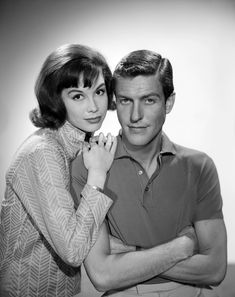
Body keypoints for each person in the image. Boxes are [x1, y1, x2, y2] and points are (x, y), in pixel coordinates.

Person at [72, 50, 227, 296]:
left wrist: (130, 254)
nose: (135, 116)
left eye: (149, 100)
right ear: (115, 102)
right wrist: (180, 248)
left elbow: (214, 269)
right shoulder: (89, 167)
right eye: (125, 100)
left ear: (169, 102)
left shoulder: (199, 166)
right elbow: (103, 275)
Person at [0, 43, 118, 296]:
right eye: (78, 96)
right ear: (56, 99)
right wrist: (97, 175)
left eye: (99, 92)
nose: (94, 106)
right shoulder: (43, 151)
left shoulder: (82, 147)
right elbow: (73, 251)